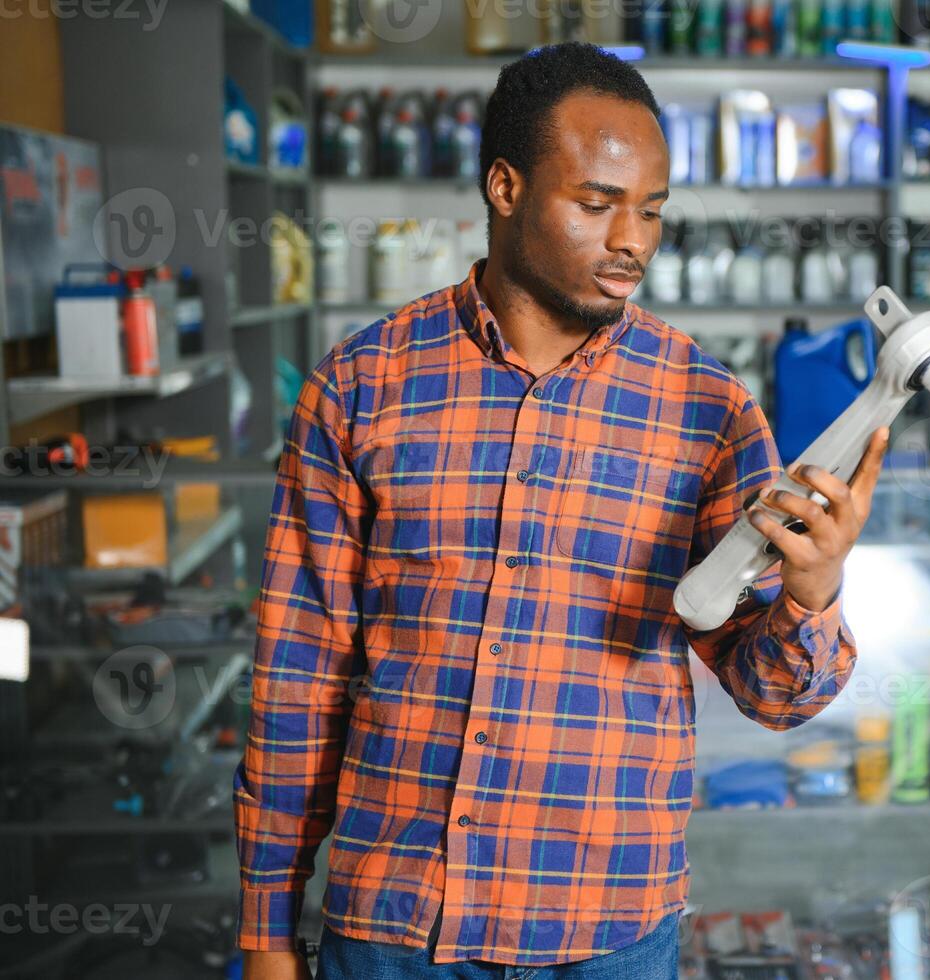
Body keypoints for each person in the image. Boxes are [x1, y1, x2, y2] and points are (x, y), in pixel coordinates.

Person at [236, 42, 884, 980]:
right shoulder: (362, 383)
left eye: (652, 212)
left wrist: (813, 591)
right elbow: (300, 673)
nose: (632, 240)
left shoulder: (707, 408)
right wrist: (265, 934)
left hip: (606, 934)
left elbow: (772, 694)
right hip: (394, 929)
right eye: (596, 204)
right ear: (505, 186)